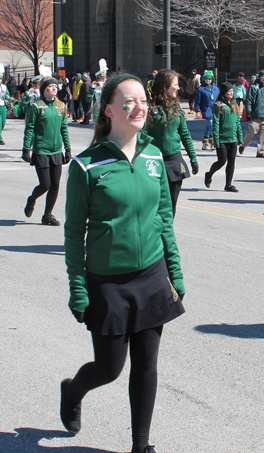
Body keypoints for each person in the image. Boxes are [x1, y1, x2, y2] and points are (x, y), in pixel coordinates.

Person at [62, 74, 185, 453]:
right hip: (108, 283)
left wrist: (174, 272)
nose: (139, 106)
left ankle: (140, 446)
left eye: (143, 100)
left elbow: (164, 217)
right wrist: (78, 290)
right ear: (110, 110)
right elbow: (73, 235)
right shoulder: (87, 167)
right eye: (128, 101)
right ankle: (72, 390)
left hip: (151, 275)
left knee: (146, 365)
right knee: (110, 368)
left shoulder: (152, 157)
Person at [147, 69, 199, 216]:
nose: (177, 88)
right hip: (155, 161)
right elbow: (142, 136)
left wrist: (193, 158)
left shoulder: (177, 108)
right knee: (156, 205)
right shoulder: (150, 109)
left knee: (171, 206)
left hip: (175, 161)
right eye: (174, 85)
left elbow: (185, 134)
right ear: (164, 87)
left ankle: (167, 234)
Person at [22, 76, 71, 225]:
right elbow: (29, 128)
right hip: (41, 150)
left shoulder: (61, 106)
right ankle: (32, 199)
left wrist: (67, 148)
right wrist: (26, 149)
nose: (53, 88)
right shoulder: (36, 106)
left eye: (55, 86)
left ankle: (47, 215)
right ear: (44, 89)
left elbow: (64, 128)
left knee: (55, 184)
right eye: (50, 86)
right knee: (45, 184)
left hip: (56, 151)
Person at [204, 82, 243, 192]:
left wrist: (240, 138)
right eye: (228, 91)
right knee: (221, 161)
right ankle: (209, 174)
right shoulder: (218, 105)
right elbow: (215, 123)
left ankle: (228, 185)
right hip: (222, 138)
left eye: (232, 91)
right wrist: (216, 140)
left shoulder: (235, 104)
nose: (231, 93)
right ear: (224, 93)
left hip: (233, 138)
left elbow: (238, 123)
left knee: (232, 161)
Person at [240, 70, 264, 158]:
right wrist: (249, 112)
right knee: (251, 131)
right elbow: (249, 100)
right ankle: (243, 145)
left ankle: (260, 152)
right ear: (260, 77)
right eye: (263, 76)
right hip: (255, 115)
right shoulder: (254, 87)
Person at [194, 70, 219, 150]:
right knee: (211, 125)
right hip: (206, 108)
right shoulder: (201, 89)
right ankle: (213, 141)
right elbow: (198, 100)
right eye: (206, 79)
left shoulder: (215, 88)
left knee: (208, 127)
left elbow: (218, 98)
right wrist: (197, 109)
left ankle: (205, 143)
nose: (208, 80)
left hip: (214, 109)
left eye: (210, 79)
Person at [0, 66, 10, 145]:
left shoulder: (4, 87)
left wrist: (5, 95)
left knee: (3, 122)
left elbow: (8, 96)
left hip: (2, 105)